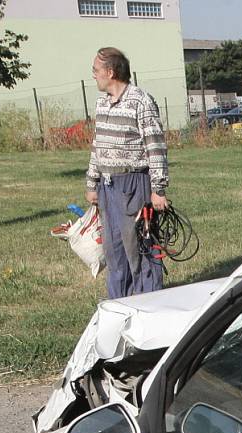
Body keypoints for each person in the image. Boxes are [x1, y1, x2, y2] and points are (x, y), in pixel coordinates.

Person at [85, 47, 168, 298]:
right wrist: (92, 182)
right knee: (114, 250)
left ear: (110, 72)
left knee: (139, 247)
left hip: (133, 184)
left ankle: (149, 301)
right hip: (108, 186)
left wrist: (158, 189)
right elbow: (97, 145)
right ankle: (119, 303)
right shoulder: (102, 104)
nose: (94, 76)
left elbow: (155, 145)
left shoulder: (141, 101)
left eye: (96, 71)